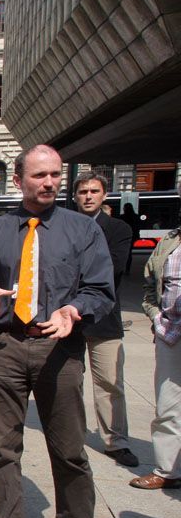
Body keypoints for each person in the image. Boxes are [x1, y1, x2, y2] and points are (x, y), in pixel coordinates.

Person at [0, 144, 115, 518]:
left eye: (55, 175)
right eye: (39, 175)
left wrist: (74, 309)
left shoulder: (82, 231)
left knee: (67, 446)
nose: (49, 183)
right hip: (5, 345)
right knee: (3, 448)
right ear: (19, 179)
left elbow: (101, 289)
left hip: (59, 348)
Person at [72, 172, 137, 466]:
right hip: (67, 318)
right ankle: (71, 435)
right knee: (69, 380)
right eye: (83, 191)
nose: (88, 196)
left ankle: (116, 441)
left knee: (110, 382)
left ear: (104, 195)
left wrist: (73, 273)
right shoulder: (64, 226)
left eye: (93, 191)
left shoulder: (118, 228)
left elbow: (114, 268)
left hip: (104, 316)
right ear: (75, 196)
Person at [130, 221, 181, 489]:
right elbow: (150, 282)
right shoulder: (169, 242)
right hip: (171, 333)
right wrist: (155, 316)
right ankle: (167, 471)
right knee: (168, 404)